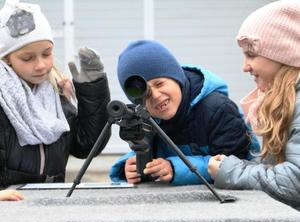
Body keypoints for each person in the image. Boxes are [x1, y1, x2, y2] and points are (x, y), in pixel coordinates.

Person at [110, 39, 259, 185]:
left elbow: (236, 165)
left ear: (177, 78)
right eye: (146, 94)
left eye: (159, 83)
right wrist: (133, 167)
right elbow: (149, 152)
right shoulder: (147, 117)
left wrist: (175, 168)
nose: (155, 96)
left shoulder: (218, 108)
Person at [0, 0, 110, 187]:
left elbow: (87, 146)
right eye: (28, 58)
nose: (41, 65)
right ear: (7, 59)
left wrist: (92, 90)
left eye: (47, 53)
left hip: (50, 204)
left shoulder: (56, 93)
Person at [208, 0, 300, 208]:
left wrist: (232, 171)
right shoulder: (288, 102)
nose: (244, 67)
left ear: (285, 53)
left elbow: (295, 182)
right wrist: (238, 166)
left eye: (251, 54)